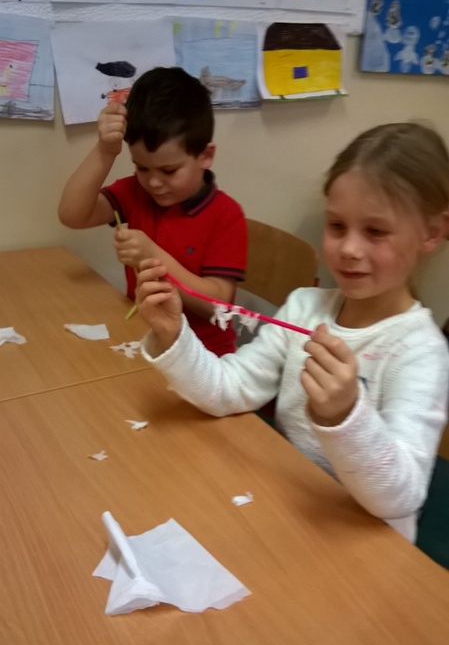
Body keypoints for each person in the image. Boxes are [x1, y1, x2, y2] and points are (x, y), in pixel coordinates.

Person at [135, 122, 449, 544]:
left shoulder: (421, 351)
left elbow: (400, 498)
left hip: (363, 543)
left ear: (431, 233)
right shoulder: (305, 308)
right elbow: (228, 389)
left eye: (375, 231)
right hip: (287, 507)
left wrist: (345, 416)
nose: (349, 249)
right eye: (337, 226)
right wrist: (174, 335)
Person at [58, 66, 247, 356]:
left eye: (169, 170)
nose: (154, 183)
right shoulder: (137, 192)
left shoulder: (226, 215)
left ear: (205, 155)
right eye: (142, 168)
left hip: (203, 358)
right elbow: (72, 215)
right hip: (142, 339)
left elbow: (218, 305)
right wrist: (105, 151)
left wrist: (154, 257)